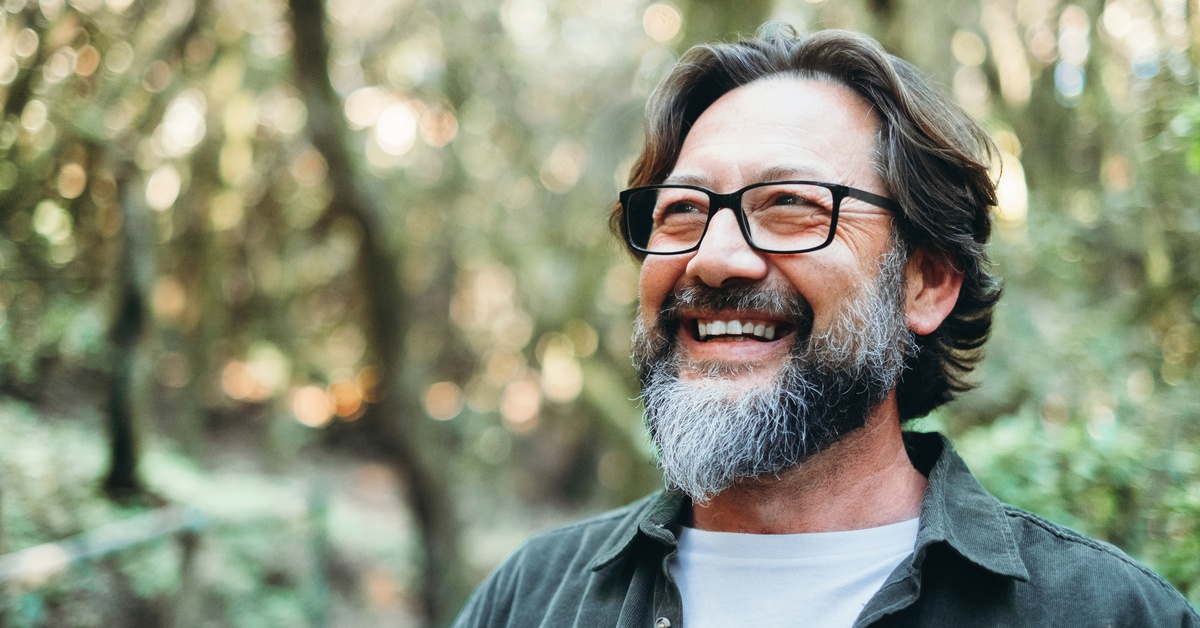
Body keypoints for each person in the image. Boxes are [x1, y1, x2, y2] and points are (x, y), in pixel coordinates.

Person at [452, 26, 1199, 627]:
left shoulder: (1107, 612)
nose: (713, 259)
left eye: (790, 206)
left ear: (928, 282)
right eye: (681, 211)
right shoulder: (531, 599)